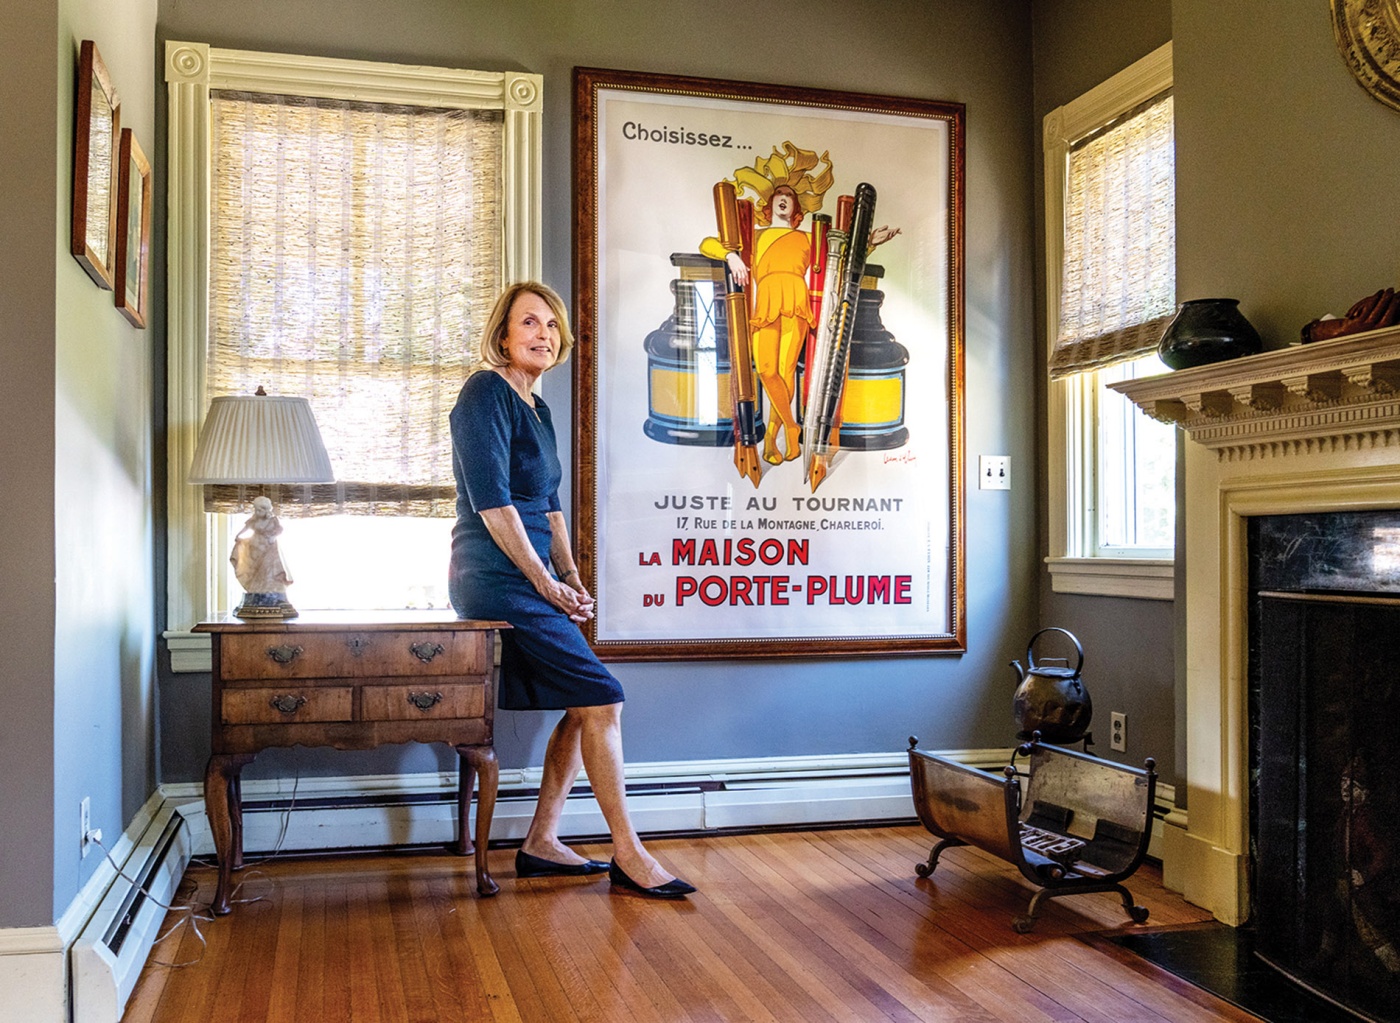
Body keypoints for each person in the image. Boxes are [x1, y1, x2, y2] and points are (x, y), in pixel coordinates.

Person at [448, 282, 696, 900]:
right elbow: (494, 504)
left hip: (533, 575)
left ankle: (540, 842)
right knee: (604, 698)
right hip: (493, 576)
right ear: (502, 335)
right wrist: (543, 582)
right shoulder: (484, 394)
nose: (543, 335)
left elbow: (549, 505)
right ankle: (630, 853)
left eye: (552, 326)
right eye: (528, 323)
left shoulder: (539, 408)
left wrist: (572, 576)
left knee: (582, 702)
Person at [230, 495, 292, 595]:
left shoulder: (273, 520)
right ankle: (257, 589)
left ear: (266, 510)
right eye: (256, 510)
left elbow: (280, 530)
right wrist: (238, 535)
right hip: (255, 546)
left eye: (259, 510)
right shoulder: (254, 520)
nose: (257, 512)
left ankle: (269, 590)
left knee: (268, 570)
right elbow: (246, 528)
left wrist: (273, 536)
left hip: (268, 546)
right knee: (254, 569)